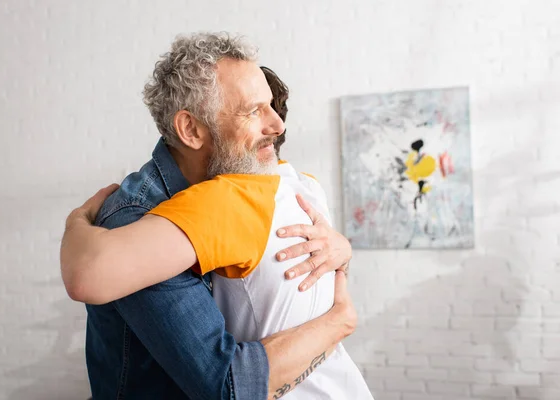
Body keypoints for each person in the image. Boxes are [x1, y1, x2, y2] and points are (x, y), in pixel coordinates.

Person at [61, 32, 360, 400]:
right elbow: (227, 387)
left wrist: (342, 250)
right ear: (191, 130)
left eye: (270, 106)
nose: (278, 126)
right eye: (254, 111)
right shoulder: (136, 221)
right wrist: (339, 322)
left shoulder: (244, 188)